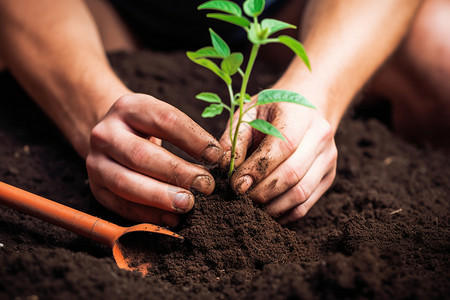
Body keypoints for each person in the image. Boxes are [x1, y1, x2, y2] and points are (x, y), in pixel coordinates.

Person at [0, 0, 448, 227]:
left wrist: (317, 89)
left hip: (292, 13)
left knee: (440, 52)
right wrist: (93, 108)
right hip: (107, 14)